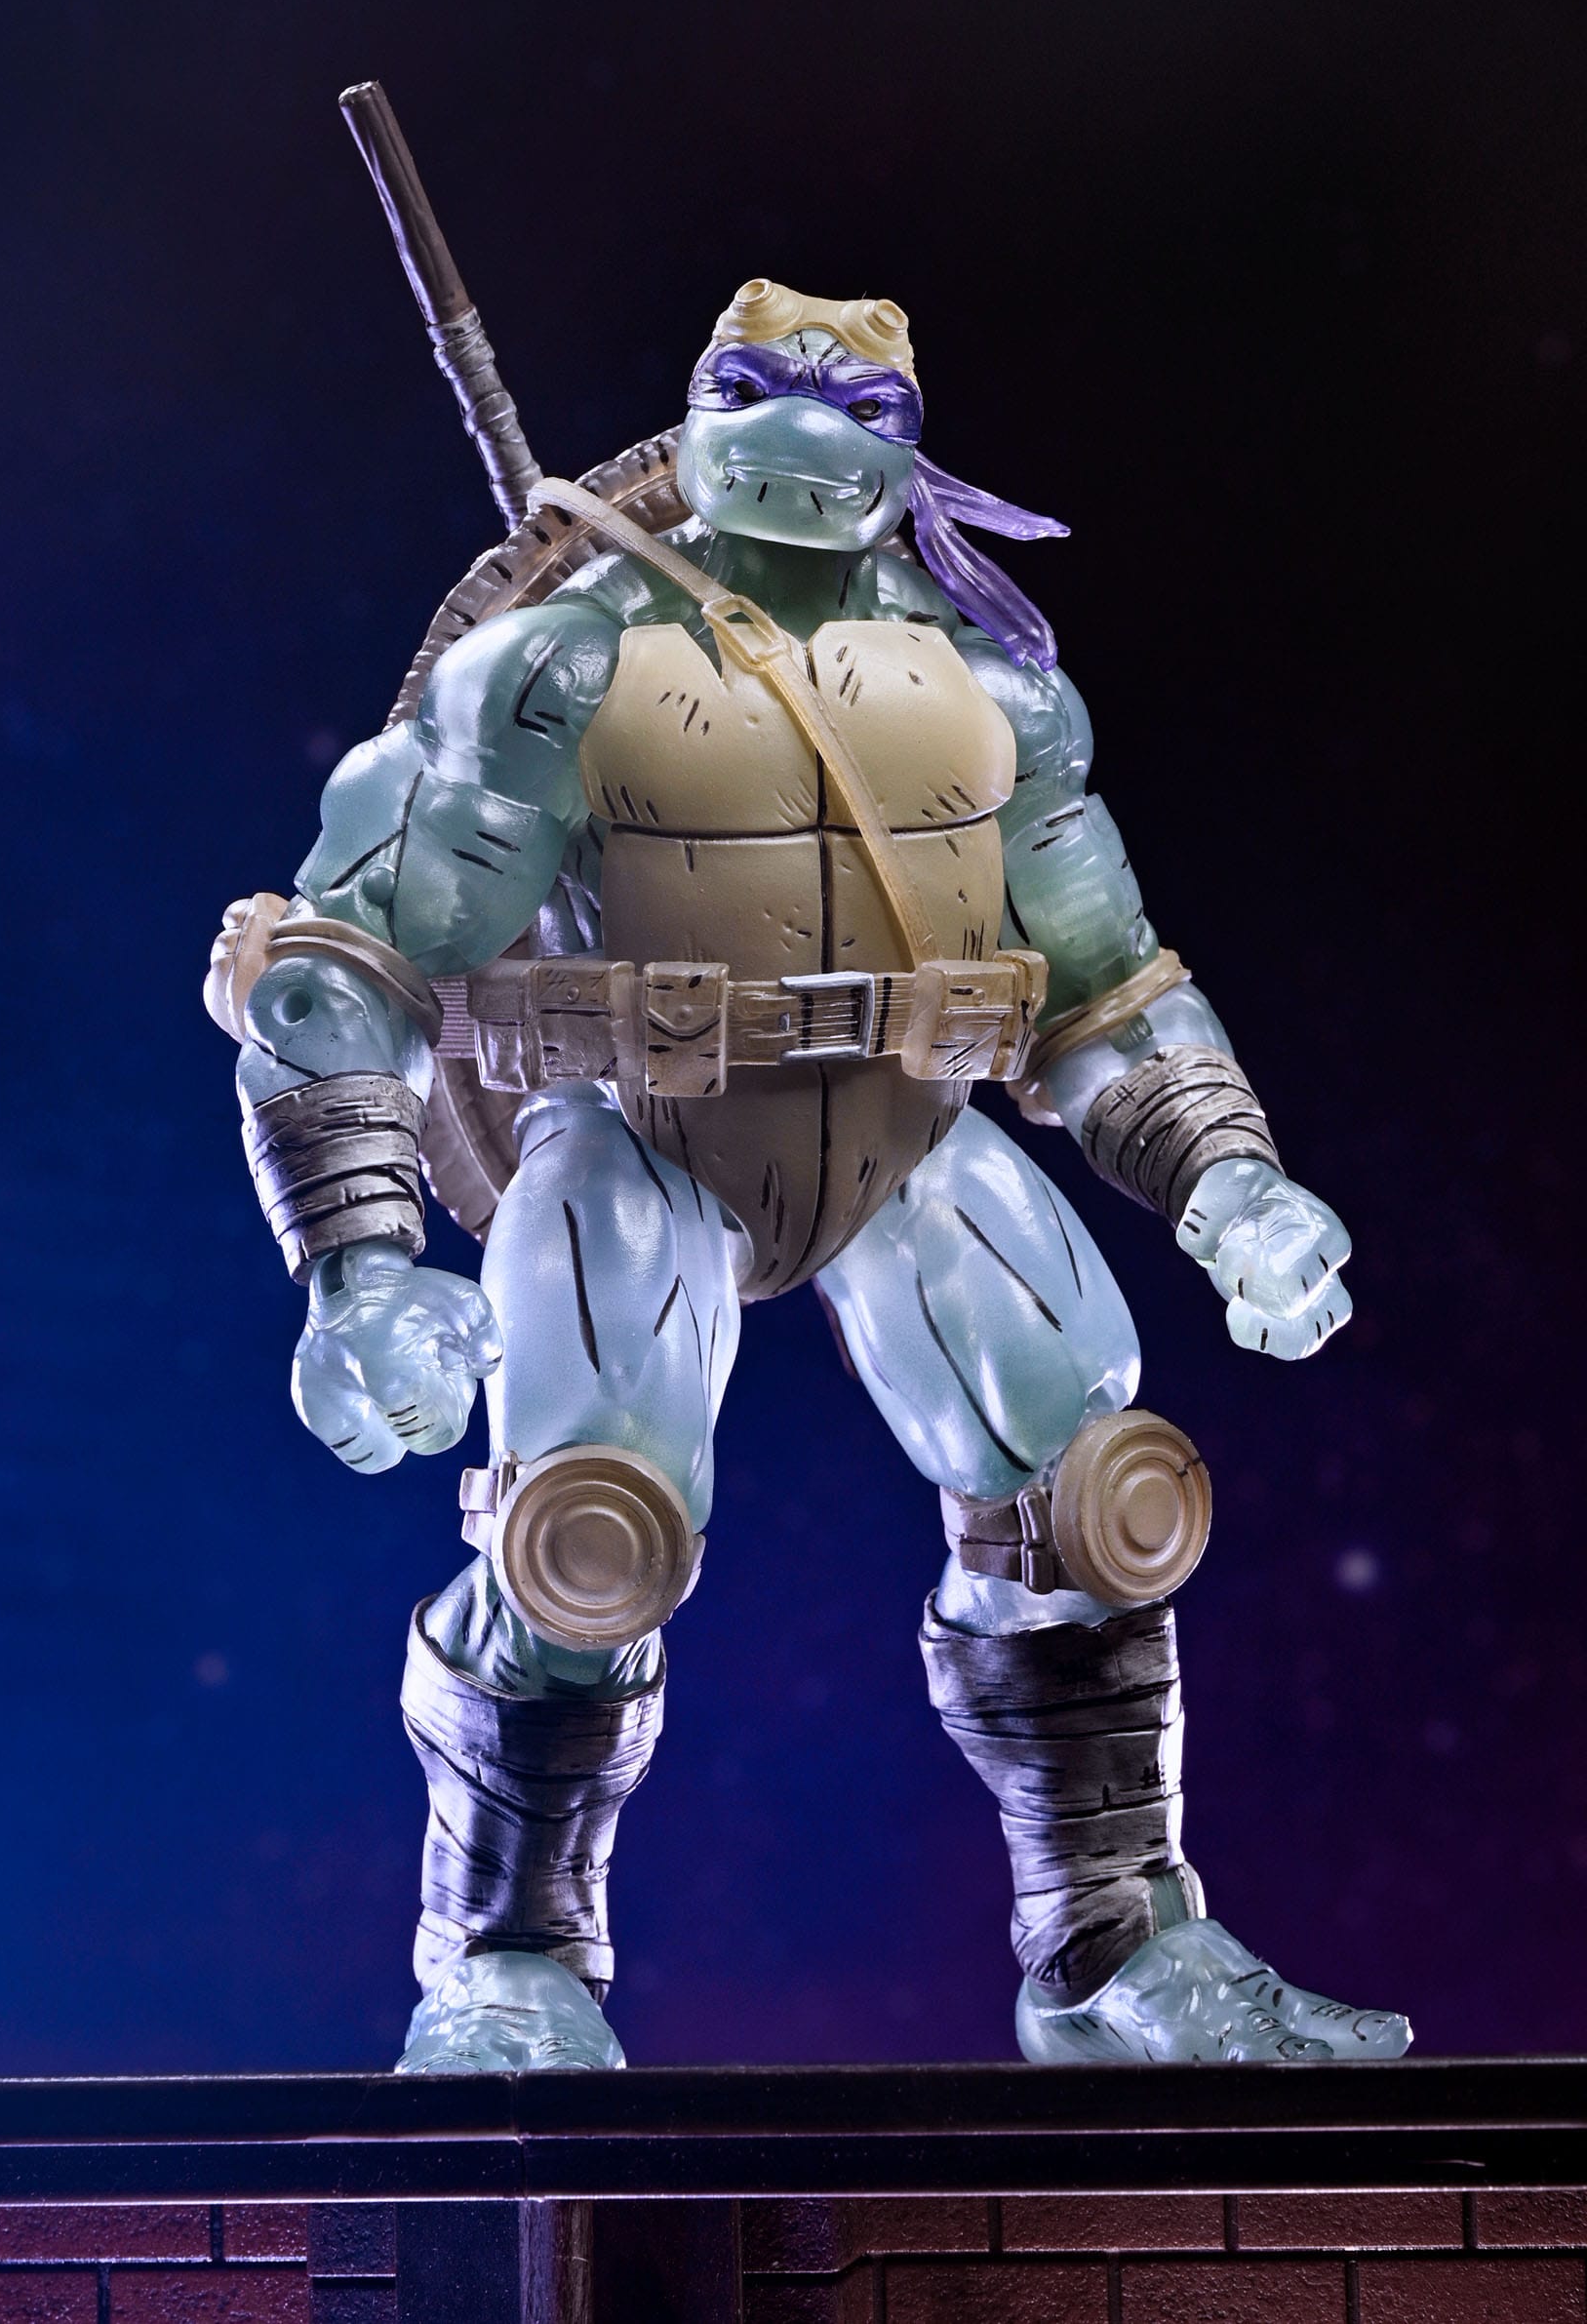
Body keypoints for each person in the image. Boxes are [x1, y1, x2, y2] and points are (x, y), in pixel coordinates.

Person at [208, 279, 1408, 2070]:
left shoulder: (994, 694)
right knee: (584, 1535)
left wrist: (1232, 1182)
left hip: (910, 1134)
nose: (803, 429)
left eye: (853, 403)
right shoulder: (558, 666)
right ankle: (505, 1962)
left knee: (1094, 1498)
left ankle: (1113, 1949)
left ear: (910, 450)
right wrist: (359, 1262)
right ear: (699, 412)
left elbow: (1104, 987)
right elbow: (339, 959)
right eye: (759, 386)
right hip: (641, 1138)